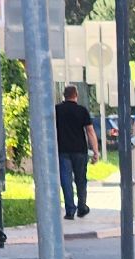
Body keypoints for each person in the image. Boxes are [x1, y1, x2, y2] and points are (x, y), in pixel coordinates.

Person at [54, 85, 98, 221]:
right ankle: (82, 207)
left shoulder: (57, 110)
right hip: (80, 150)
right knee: (81, 179)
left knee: (66, 180)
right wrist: (95, 151)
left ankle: (70, 210)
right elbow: (90, 131)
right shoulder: (82, 111)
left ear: (64, 95)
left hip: (62, 150)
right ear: (76, 95)